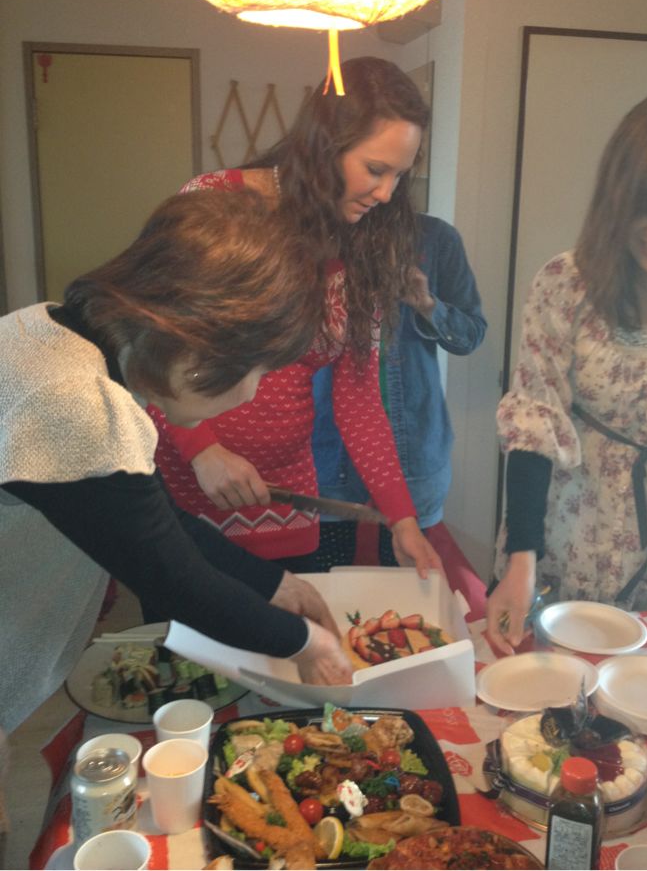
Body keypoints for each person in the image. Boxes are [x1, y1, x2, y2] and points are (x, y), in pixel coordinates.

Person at [0, 188, 353, 735]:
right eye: (258, 369)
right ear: (197, 346)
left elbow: (162, 522)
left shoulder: (53, 329)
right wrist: (308, 643)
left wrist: (276, 585)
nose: (253, 393)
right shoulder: (78, 404)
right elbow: (172, 580)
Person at [150, 57, 444, 576]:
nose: (387, 194)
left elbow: (358, 398)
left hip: (289, 497)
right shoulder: (216, 202)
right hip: (190, 485)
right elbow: (152, 348)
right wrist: (201, 450)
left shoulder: (364, 246)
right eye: (375, 170)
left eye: (399, 175)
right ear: (324, 145)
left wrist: (401, 519)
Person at [486, 83, 647, 655]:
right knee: (559, 680)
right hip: (574, 526)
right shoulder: (567, 284)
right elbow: (535, 422)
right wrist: (522, 557)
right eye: (642, 207)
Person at [311, 211, 487, 567]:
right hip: (326, 449)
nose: (380, 190)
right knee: (327, 582)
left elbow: (470, 335)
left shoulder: (436, 238)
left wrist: (427, 304)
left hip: (414, 450)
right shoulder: (314, 234)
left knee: (408, 584)